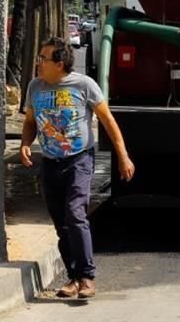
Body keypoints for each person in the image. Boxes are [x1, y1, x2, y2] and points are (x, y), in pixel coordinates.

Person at [19, 37, 135, 299]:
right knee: (61, 223)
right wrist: (25, 144)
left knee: (75, 213)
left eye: (43, 58)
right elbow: (29, 122)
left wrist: (123, 156)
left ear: (59, 64)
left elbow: (108, 120)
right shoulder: (35, 87)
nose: (39, 63)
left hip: (79, 160)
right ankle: (73, 278)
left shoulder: (84, 85)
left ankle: (87, 276)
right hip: (50, 162)